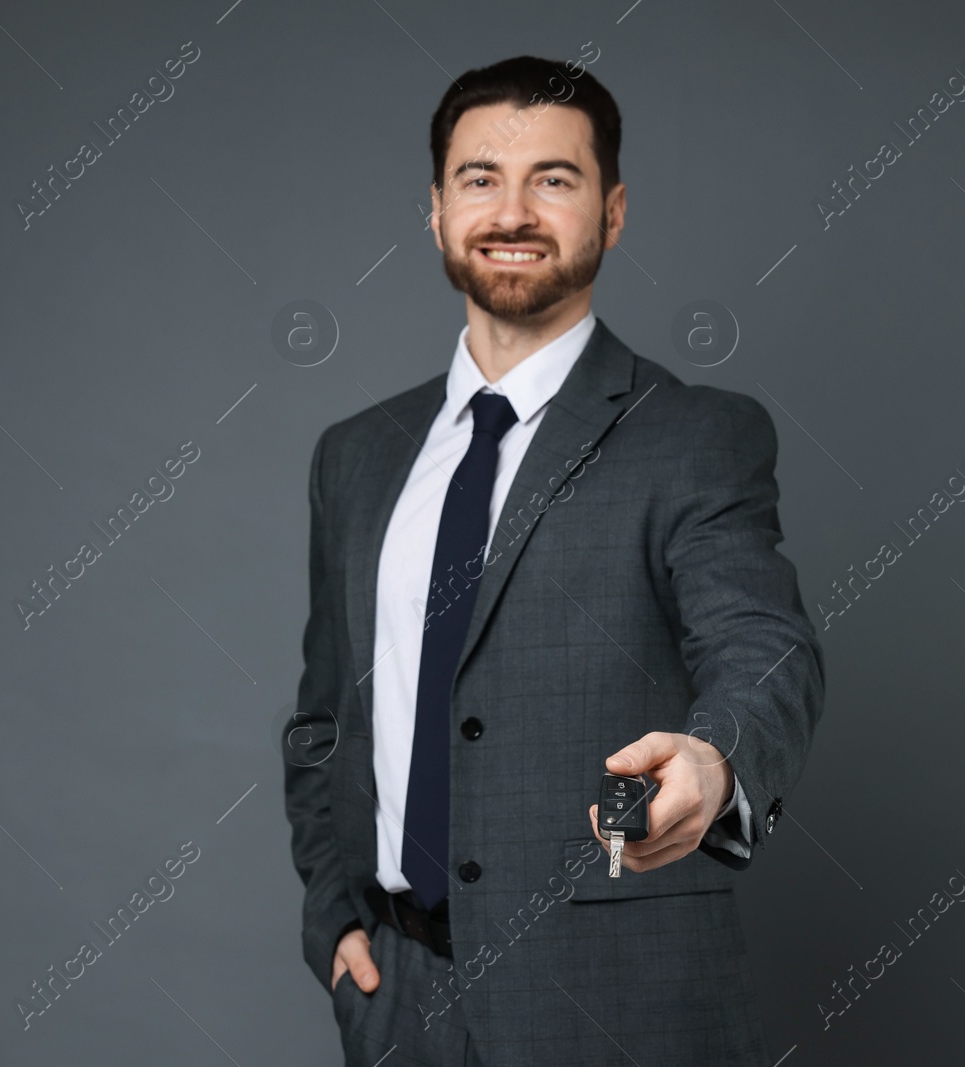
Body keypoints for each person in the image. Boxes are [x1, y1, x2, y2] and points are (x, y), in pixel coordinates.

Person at [283, 53, 825, 1066]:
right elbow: (324, 718)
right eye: (480, 179)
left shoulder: (694, 435)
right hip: (397, 1002)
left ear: (612, 213)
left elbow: (763, 644)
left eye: (555, 178)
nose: (513, 210)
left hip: (615, 1002)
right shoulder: (354, 455)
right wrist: (336, 920)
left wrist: (714, 759)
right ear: (436, 211)